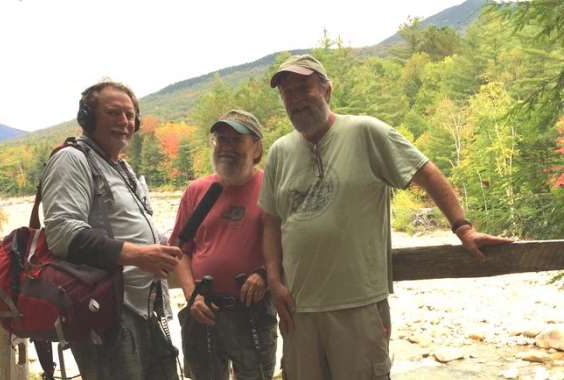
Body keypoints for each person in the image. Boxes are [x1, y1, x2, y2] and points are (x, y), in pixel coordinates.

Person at [258, 54, 513, 380]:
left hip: (358, 305)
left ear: (326, 90)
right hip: (299, 310)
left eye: (304, 88)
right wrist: (275, 281)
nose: (295, 99)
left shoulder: (365, 132)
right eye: (287, 93)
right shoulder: (280, 151)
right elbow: (271, 222)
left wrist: (462, 229)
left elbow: (426, 172)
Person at [41, 79, 183, 380]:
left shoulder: (121, 167)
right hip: (107, 313)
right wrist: (139, 255)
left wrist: (161, 245)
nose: (124, 122)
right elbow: (62, 234)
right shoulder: (72, 159)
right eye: (113, 113)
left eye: (130, 115)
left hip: (145, 308)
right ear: (87, 118)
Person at [170, 110, 277, 380]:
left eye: (236, 140)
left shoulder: (272, 188)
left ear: (257, 149)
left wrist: (264, 273)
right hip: (203, 311)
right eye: (221, 139)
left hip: (252, 312)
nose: (226, 147)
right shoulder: (197, 190)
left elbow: (288, 244)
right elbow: (181, 251)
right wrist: (192, 296)